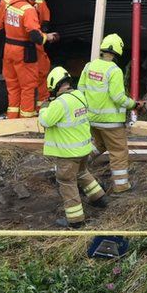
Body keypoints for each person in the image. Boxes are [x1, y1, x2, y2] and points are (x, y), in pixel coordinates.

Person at [39, 67, 109, 228]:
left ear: (55, 86)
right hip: (83, 149)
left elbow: (46, 121)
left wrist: (43, 108)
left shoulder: (59, 103)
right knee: (82, 173)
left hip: (67, 153)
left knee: (67, 182)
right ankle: (100, 198)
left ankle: (76, 220)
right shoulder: (79, 96)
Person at [79, 34, 144, 193]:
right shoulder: (114, 71)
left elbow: (81, 90)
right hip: (111, 122)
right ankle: (121, 186)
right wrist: (134, 105)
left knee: (98, 145)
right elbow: (118, 97)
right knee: (119, 152)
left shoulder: (89, 66)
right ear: (117, 52)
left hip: (92, 119)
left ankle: (76, 166)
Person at [0, 0, 58, 118]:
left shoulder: (8, 2)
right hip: (25, 51)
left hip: (8, 49)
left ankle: (12, 119)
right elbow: (36, 36)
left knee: (13, 87)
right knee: (28, 87)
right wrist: (48, 37)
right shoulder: (28, 9)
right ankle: (25, 121)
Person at [23, 0, 55, 109]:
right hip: (34, 41)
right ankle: (41, 107)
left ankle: (25, 111)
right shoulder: (37, 4)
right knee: (41, 72)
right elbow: (44, 22)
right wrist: (46, 36)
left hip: (20, 45)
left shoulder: (13, 2)